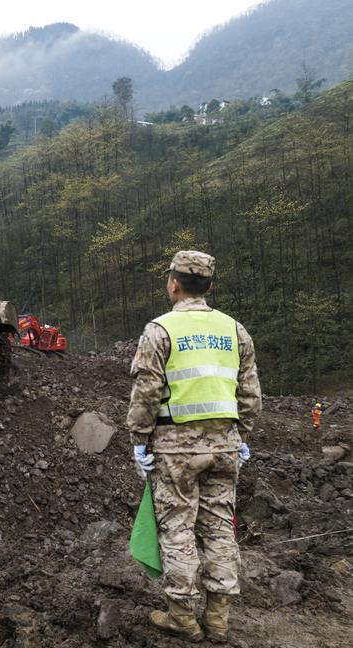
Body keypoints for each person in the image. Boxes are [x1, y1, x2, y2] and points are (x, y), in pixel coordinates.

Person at [127, 250, 262, 643]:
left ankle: (183, 618)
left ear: (173, 284)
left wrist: (139, 440)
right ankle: (218, 619)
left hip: (175, 450)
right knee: (221, 527)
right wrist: (242, 436)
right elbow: (250, 395)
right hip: (225, 447)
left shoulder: (159, 330)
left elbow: (146, 392)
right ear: (210, 286)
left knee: (177, 531)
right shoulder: (235, 331)